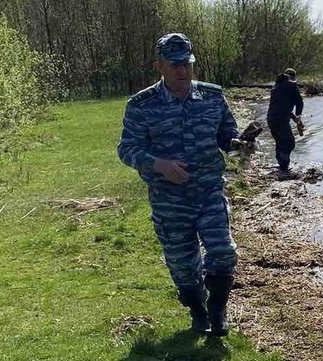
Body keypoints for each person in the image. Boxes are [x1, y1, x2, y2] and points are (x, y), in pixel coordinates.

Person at [117, 33, 250, 337]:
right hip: (168, 199)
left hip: (208, 190)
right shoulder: (141, 105)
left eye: (187, 64)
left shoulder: (213, 96)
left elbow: (226, 137)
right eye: (175, 65)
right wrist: (159, 165)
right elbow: (127, 150)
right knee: (182, 265)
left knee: (223, 251)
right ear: (160, 66)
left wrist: (239, 144)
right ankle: (197, 311)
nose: (183, 72)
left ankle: (218, 313)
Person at [266, 68, 304, 179]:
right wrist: (299, 115)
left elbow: (282, 106)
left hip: (271, 119)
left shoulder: (276, 87)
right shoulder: (292, 86)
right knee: (289, 142)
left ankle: (282, 165)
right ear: (293, 77)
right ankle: (283, 170)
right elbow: (299, 102)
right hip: (281, 120)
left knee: (279, 141)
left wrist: (293, 117)